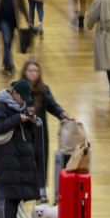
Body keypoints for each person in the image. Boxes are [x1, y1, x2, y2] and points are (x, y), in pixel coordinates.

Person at [0, 80, 41, 218]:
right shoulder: (0, 107)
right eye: (22, 97)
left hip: (21, 158)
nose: (24, 101)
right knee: (7, 194)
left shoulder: (22, 107)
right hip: (7, 158)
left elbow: (26, 131)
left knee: (17, 193)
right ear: (14, 93)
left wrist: (31, 121)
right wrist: (17, 118)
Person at [20, 61, 69, 202]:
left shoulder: (43, 90)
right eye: (30, 70)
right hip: (23, 131)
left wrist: (62, 114)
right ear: (24, 72)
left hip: (40, 132)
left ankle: (41, 190)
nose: (33, 73)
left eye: (35, 70)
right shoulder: (18, 89)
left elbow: (52, 105)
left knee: (41, 159)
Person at [0, 0, 30, 76]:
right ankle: (8, 64)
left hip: (12, 22)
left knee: (8, 43)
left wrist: (28, 20)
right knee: (6, 41)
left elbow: (22, 6)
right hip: (1, 20)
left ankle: (6, 63)